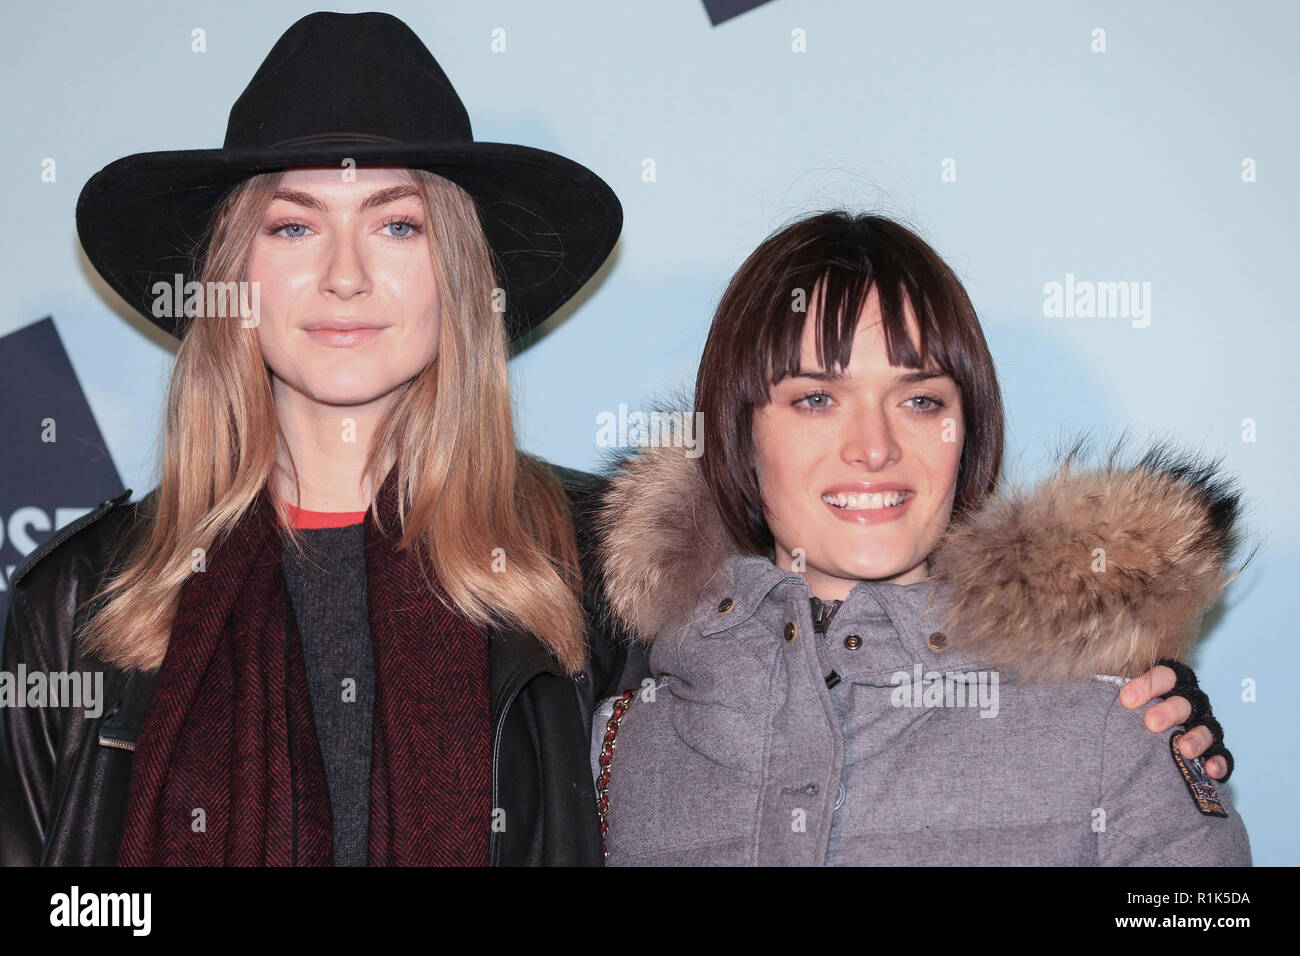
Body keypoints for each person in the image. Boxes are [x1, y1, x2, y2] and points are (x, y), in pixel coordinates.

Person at [0, 11, 629, 866]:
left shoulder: (607, 573)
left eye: (397, 224)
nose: (344, 275)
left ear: (459, 272)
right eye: (293, 226)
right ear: (231, 274)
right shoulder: (80, 604)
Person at [593, 211, 1246, 865]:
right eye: (817, 399)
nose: (874, 449)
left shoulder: (1120, 731)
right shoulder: (619, 746)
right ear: (739, 434)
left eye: (920, 401)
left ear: (967, 435)